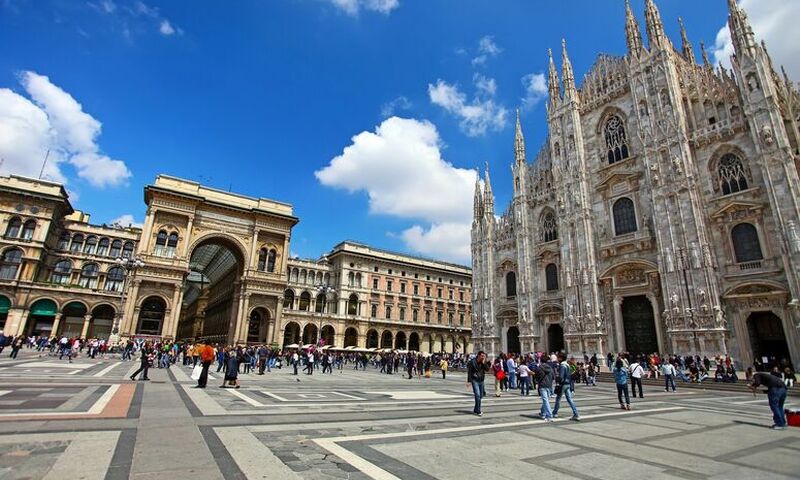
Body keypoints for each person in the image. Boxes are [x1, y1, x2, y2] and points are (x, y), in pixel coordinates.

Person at [552, 354, 580, 421]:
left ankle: (554, 413)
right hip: (568, 384)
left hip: (563, 384)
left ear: (561, 358)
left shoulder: (562, 365)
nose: (557, 359)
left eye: (558, 358)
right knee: (570, 399)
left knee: (558, 399)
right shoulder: (567, 365)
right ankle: (576, 414)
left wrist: (557, 379)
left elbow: (561, 376)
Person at [466, 351, 491, 417]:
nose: (483, 357)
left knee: (481, 396)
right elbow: (469, 372)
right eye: (482, 356)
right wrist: (469, 381)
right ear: (478, 355)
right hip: (475, 380)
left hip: (481, 380)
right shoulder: (472, 362)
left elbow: (487, 369)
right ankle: (478, 411)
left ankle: (475, 409)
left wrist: (484, 363)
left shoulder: (483, 362)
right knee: (477, 395)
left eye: (484, 356)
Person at [535, 355, 556, 422]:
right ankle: (542, 413)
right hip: (549, 385)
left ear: (540, 360)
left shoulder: (539, 368)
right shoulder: (550, 368)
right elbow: (553, 377)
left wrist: (537, 382)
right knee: (546, 400)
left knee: (545, 400)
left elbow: (537, 377)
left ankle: (549, 416)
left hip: (542, 385)